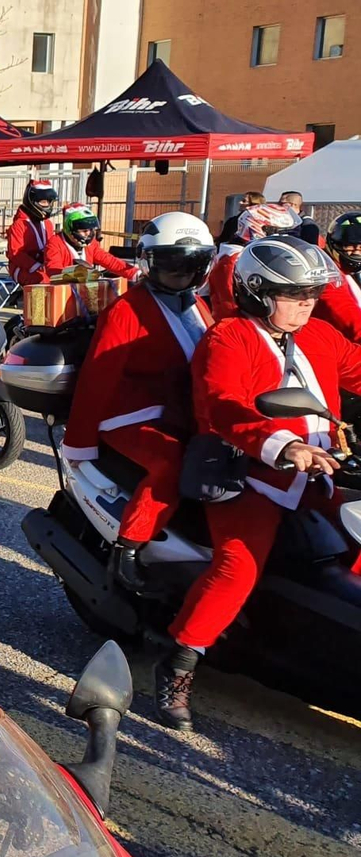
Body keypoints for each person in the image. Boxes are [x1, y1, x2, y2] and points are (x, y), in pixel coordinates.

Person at [160, 236, 361, 731]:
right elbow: (223, 405)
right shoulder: (228, 338)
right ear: (258, 291)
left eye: (312, 295)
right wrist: (283, 446)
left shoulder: (318, 335)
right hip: (247, 474)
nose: (307, 305)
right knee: (238, 567)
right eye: (296, 295)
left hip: (321, 471)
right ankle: (180, 663)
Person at [61, 212, 216, 594]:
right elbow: (99, 377)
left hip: (185, 409)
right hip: (131, 414)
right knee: (171, 462)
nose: (180, 274)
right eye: (170, 265)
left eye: (190, 265)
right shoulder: (127, 310)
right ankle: (128, 548)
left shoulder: (197, 304)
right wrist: (80, 443)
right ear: (151, 263)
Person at [203, 202, 300, 320]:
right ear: (259, 229)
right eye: (282, 233)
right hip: (239, 325)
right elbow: (229, 304)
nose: (285, 239)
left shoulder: (238, 255)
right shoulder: (235, 260)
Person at [52, 203, 139, 280]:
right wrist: (74, 274)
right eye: (84, 230)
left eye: (91, 230)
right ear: (69, 229)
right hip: (62, 292)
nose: (88, 234)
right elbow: (53, 270)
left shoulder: (92, 244)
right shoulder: (55, 243)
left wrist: (135, 273)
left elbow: (109, 260)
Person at [315, 212, 361, 342]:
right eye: (349, 246)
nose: (356, 252)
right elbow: (342, 307)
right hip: (334, 342)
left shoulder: (353, 272)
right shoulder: (325, 271)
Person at [6, 180, 61, 286]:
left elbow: (51, 247)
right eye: (43, 202)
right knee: (44, 281)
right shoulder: (19, 225)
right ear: (32, 201)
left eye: (49, 202)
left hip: (44, 266)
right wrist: (37, 266)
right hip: (22, 268)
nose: (47, 205)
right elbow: (15, 254)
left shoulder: (48, 224)